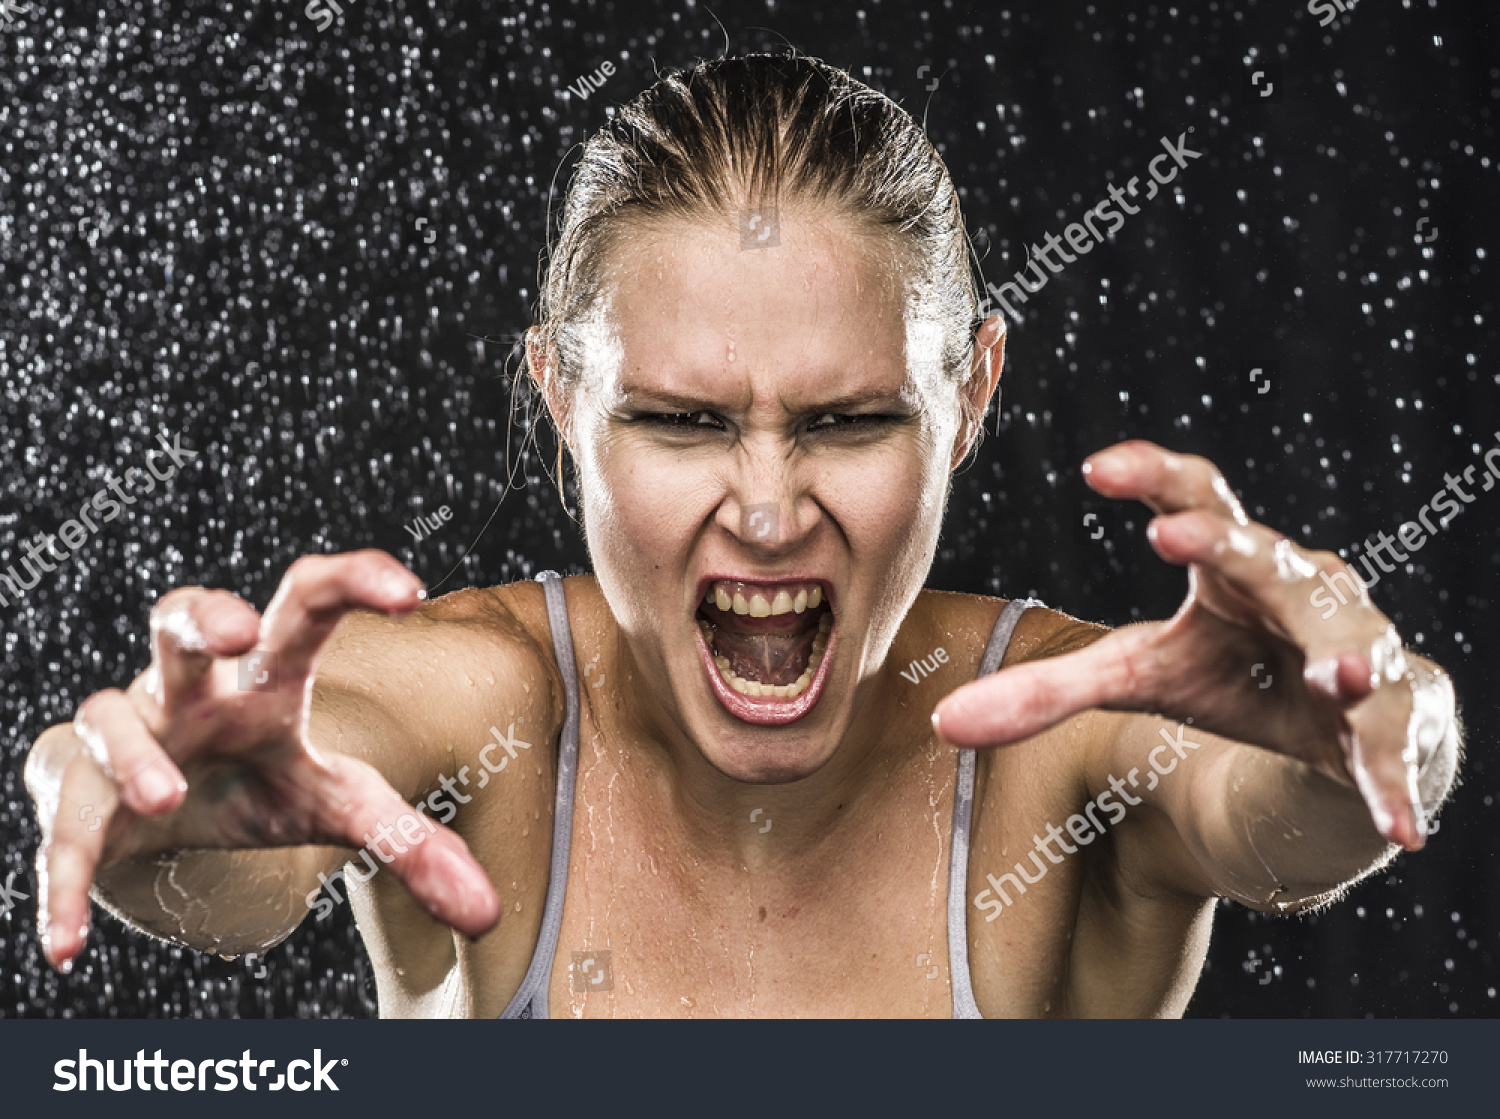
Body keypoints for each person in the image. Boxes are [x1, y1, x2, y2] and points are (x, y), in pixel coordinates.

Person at [24, 53, 1461, 1018]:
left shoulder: (1061, 752)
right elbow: (250, 843)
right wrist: (163, 814)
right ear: (563, 398)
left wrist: (1376, 723)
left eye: (847, 423)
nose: (770, 513)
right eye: (680, 422)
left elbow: (1292, 816)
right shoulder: (481, 710)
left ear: (969, 400)